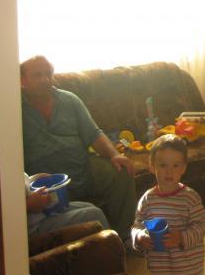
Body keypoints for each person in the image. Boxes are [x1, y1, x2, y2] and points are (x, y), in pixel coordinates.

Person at [20, 55, 137, 238]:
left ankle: (124, 237)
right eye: (37, 75)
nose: (45, 79)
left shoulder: (70, 100)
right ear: (22, 80)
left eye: (48, 74)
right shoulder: (14, 108)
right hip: (47, 182)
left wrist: (114, 155)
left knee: (122, 171)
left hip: (82, 168)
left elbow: (94, 134)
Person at [131, 134, 205, 275]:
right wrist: (139, 236)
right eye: (163, 165)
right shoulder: (147, 199)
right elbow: (137, 225)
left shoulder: (190, 198)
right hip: (160, 267)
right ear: (152, 166)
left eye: (175, 165)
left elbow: (202, 225)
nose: (169, 171)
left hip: (188, 268)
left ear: (183, 168)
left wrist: (181, 237)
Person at [26, 172, 109, 236]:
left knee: (89, 206)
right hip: (34, 228)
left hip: (42, 214)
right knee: (95, 214)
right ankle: (111, 249)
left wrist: (32, 179)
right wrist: (29, 205)